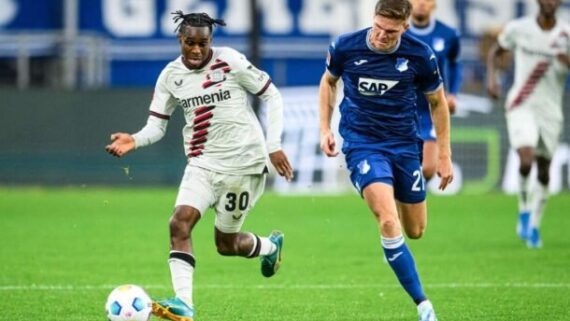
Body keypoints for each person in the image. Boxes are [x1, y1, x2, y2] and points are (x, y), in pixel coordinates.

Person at [105, 11, 294, 321]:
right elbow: (157, 126)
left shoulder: (230, 61)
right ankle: (184, 305)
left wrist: (273, 146)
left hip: (244, 166)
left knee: (226, 244)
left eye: (202, 44)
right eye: (189, 43)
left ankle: (269, 248)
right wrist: (135, 140)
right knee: (178, 223)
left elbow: (271, 95)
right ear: (180, 39)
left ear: (211, 41)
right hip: (202, 165)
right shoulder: (170, 76)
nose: (195, 50)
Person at [319, 1, 453, 320]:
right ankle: (424, 306)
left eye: (390, 31)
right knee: (389, 221)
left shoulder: (420, 55)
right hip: (362, 144)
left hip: (405, 145)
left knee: (416, 230)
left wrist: (445, 155)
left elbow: (438, 103)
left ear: (405, 27)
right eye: (378, 27)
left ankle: (392, 239)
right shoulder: (345, 46)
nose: (381, 35)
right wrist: (324, 128)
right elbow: (328, 82)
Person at [487, 0, 570, 248]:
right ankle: (523, 210)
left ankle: (534, 223)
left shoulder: (566, 34)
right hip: (521, 104)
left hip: (551, 111)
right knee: (525, 158)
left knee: (544, 171)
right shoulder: (519, 28)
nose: (548, 3)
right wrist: (492, 79)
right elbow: (496, 51)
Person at [408, 0, 462, 181]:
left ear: (434, 4)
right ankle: (399, 206)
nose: (422, 3)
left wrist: (452, 93)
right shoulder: (399, 32)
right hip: (404, 107)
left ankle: (407, 205)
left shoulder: (448, 34)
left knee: (428, 169)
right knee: (404, 167)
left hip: (431, 108)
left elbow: (454, 64)